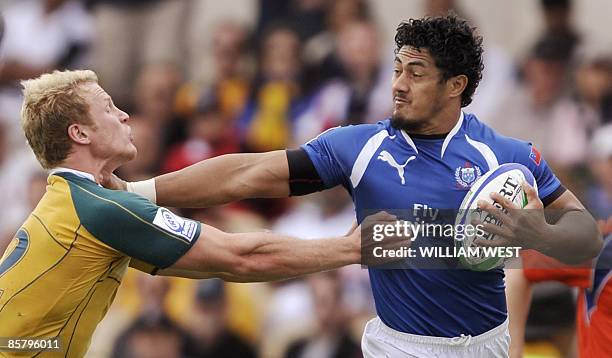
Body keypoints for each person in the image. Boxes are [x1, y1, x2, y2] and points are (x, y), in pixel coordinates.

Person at [115, 15, 602, 357]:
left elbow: (585, 236)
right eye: (396, 70)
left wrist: (537, 234)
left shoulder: (510, 156)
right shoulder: (359, 148)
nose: (398, 84)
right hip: (400, 346)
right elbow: (246, 173)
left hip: (489, 345)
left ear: (456, 85)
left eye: (416, 72)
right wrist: (140, 193)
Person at [0, 69, 370, 358]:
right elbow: (238, 258)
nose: (125, 115)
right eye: (109, 108)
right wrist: (350, 249)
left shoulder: (78, 200)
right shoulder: (100, 210)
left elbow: (223, 202)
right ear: (80, 133)